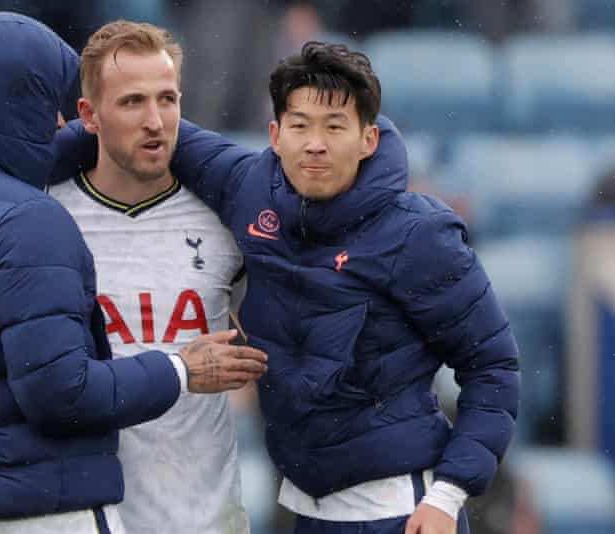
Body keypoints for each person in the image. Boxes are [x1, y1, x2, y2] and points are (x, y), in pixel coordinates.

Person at [56, 41, 518, 534]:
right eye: (300, 125)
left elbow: (493, 365)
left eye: (335, 126)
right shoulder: (249, 188)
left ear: (369, 140)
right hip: (305, 513)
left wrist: (448, 497)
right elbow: (142, 129)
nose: (314, 143)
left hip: (402, 514)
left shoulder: (419, 235)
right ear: (275, 134)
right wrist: (48, 152)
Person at [0, 12, 267, 534]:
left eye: (168, 98)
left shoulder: (225, 215)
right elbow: (4, 358)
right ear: (87, 113)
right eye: (132, 101)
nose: (154, 119)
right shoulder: (36, 211)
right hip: (78, 508)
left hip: (199, 515)